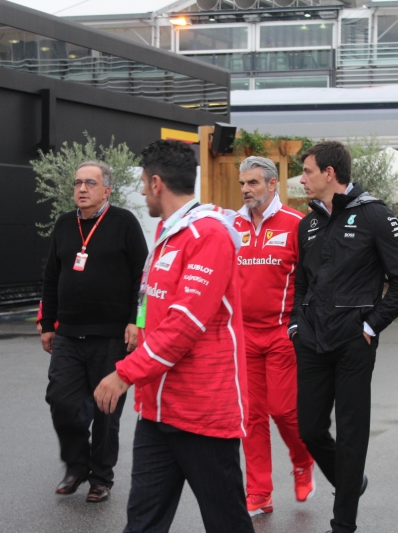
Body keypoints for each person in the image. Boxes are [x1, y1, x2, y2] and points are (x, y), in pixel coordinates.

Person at [93, 140, 254, 533]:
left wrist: (125, 373)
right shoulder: (171, 232)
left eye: (144, 183)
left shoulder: (208, 234)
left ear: (157, 183)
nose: (143, 192)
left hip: (202, 413)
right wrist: (139, 324)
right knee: (142, 524)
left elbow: (184, 325)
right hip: (157, 411)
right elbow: (155, 301)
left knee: (227, 524)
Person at [289, 141, 398, 533]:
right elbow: (302, 283)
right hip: (312, 341)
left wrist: (370, 326)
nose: (302, 179)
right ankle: (350, 482)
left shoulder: (375, 214)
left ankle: (343, 523)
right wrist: (296, 325)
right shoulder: (308, 223)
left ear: (329, 173)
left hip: (353, 344)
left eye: (307, 171)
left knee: (351, 436)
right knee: (309, 429)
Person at [39, 160, 147, 502]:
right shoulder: (64, 224)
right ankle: (76, 464)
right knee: (61, 401)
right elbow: (51, 277)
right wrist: (47, 323)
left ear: (107, 191)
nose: (82, 189)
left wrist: (137, 321)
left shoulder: (124, 223)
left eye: (90, 183)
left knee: (106, 410)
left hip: (112, 335)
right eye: (77, 183)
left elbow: (142, 277)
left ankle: (101, 477)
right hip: (69, 333)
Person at [232, 156, 314, 516]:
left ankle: (302, 461)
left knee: (284, 411)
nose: (246, 189)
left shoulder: (297, 223)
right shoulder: (232, 224)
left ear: (272, 184)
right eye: (242, 183)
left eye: (253, 182)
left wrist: (304, 324)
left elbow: (314, 280)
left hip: (282, 333)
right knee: (251, 417)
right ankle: (259, 491)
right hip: (244, 335)